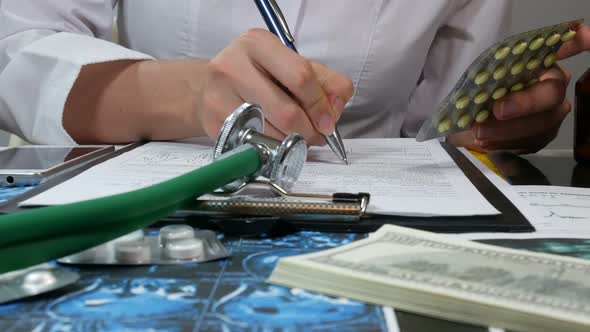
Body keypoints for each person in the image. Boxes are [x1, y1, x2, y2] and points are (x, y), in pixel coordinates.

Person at [0, 1, 589, 154]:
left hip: (379, 218)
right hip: (155, 206)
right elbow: (17, 47)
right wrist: (190, 92)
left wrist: (496, 130)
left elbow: (437, 133)